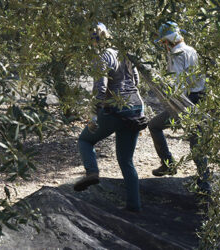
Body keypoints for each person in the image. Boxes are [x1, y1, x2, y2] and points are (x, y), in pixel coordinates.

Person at [74, 23, 146, 212]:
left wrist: (93, 115)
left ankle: (92, 172)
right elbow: (136, 81)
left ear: (92, 40)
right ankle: (134, 206)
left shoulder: (101, 56)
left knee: (85, 140)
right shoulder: (124, 53)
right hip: (136, 109)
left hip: (115, 110)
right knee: (126, 160)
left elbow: (100, 89)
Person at [148, 21, 211, 192]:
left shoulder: (176, 54)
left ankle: (168, 163)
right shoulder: (192, 50)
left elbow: (176, 83)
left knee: (154, 125)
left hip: (185, 101)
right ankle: (205, 182)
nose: (163, 46)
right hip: (199, 98)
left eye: (163, 43)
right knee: (196, 140)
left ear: (168, 41)